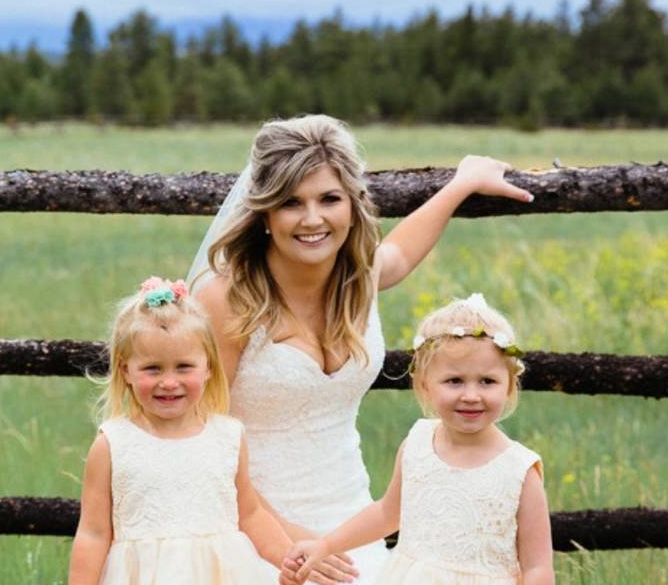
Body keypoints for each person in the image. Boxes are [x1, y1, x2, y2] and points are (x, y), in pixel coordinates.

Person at [191, 114, 533, 584]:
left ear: (352, 205)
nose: (313, 219)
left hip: (351, 520)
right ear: (265, 213)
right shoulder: (227, 299)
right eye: (292, 203)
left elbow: (400, 253)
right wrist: (283, 541)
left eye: (329, 199)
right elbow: (204, 442)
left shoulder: (356, 278)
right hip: (251, 526)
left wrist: (461, 184)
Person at [281, 293, 554, 585]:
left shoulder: (519, 471)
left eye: (487, 381)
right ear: (424, 385)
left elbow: (537, 566)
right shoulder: (418, 443)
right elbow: (387, 512)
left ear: (510, 387)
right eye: (454, 381)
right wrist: (326, 545)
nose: (471, 395)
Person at [68, 276, 291, 585]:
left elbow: (250, 513)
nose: (169, 382)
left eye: (184, 367)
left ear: (209, 367)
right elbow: (93, 533)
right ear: (125, 370)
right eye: (152, 368)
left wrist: (288, 558)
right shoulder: (113, 444)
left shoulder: (228, 437)